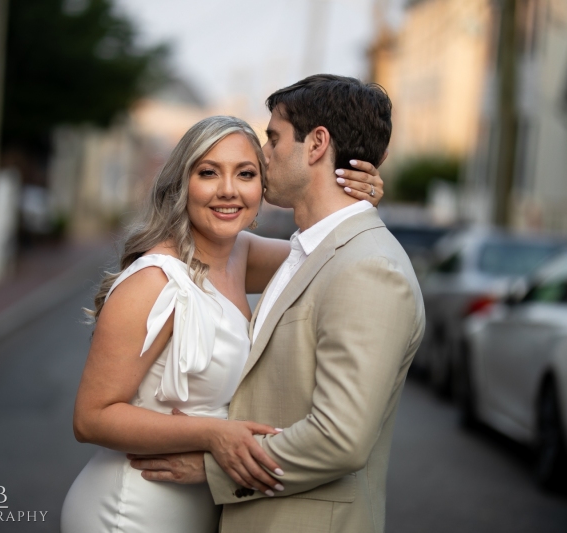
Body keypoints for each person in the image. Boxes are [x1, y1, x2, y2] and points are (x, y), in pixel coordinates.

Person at [60, 113, 384, 533]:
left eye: (246, 174)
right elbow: (91, 418)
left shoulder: (240, 254)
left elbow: (330, 253)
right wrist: (215, 434)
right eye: (208, 173)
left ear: (261, 189)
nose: (228, 191)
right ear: (182, 183)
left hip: (203, 506)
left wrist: (359, 201)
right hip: (133, 510)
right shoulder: (154, 279)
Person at [130, 75, 425, 533]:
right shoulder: (305, 252)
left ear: (316, 144)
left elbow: (340, 438)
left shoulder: (370, 270)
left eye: (272, 138)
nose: (263, 156)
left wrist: (212, 467)